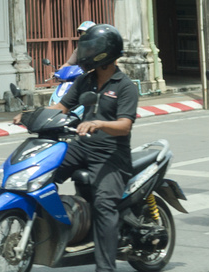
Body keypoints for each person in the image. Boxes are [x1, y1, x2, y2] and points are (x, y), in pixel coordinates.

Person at [54, 24, 138, 272]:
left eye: (90, 48)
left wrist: (99, 123)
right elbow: (61, 107)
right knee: (42, 174)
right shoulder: (85, 80)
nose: (84, 53)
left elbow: (124, 126)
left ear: (105, 54)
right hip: (81, 147)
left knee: (104, 205)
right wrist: (29, 115)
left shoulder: (125, 86)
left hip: (111, 154)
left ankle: (105, 267)